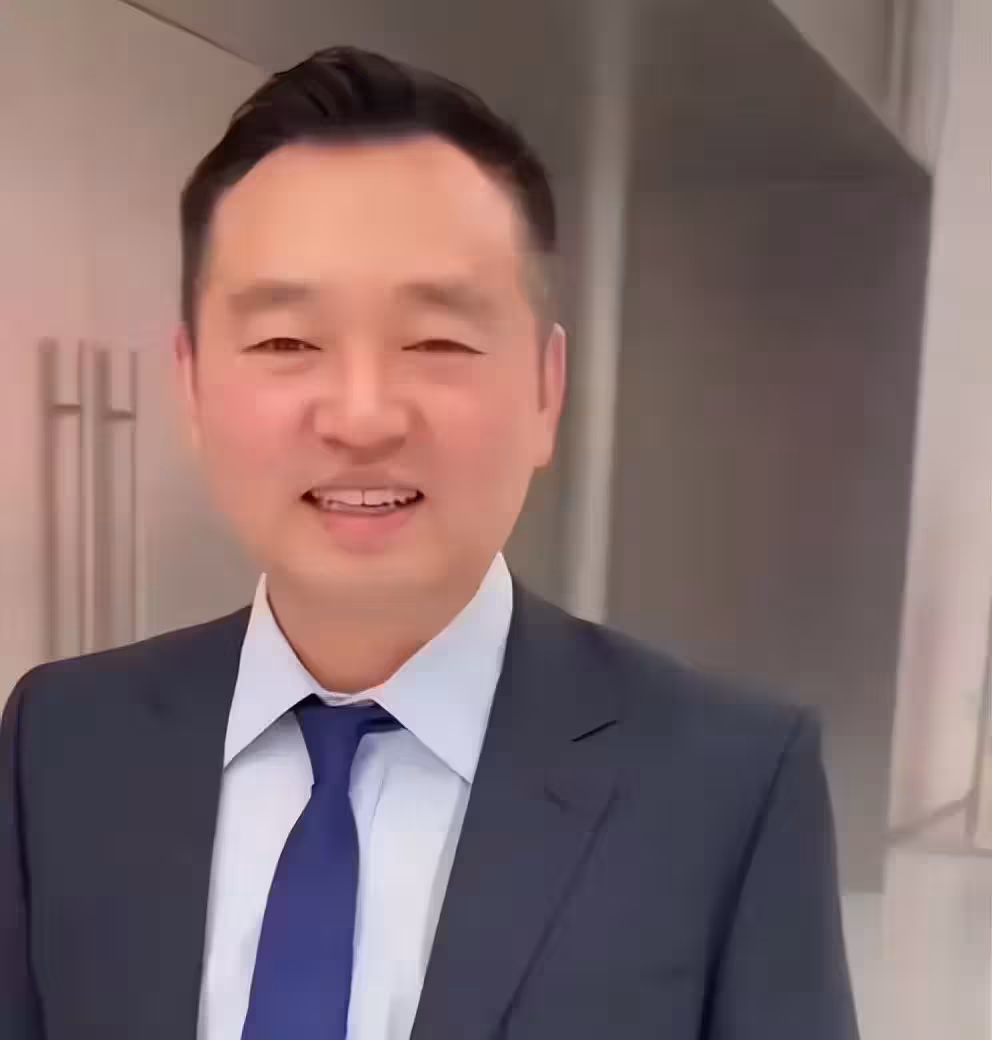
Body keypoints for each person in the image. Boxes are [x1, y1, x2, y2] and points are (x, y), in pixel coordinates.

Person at [1, 46, 859, 1040]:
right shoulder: (63, 740)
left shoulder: (728, 785)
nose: (362, 415)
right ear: (190, 385)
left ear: (545, 389)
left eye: (437, 341)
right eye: (287, 341)